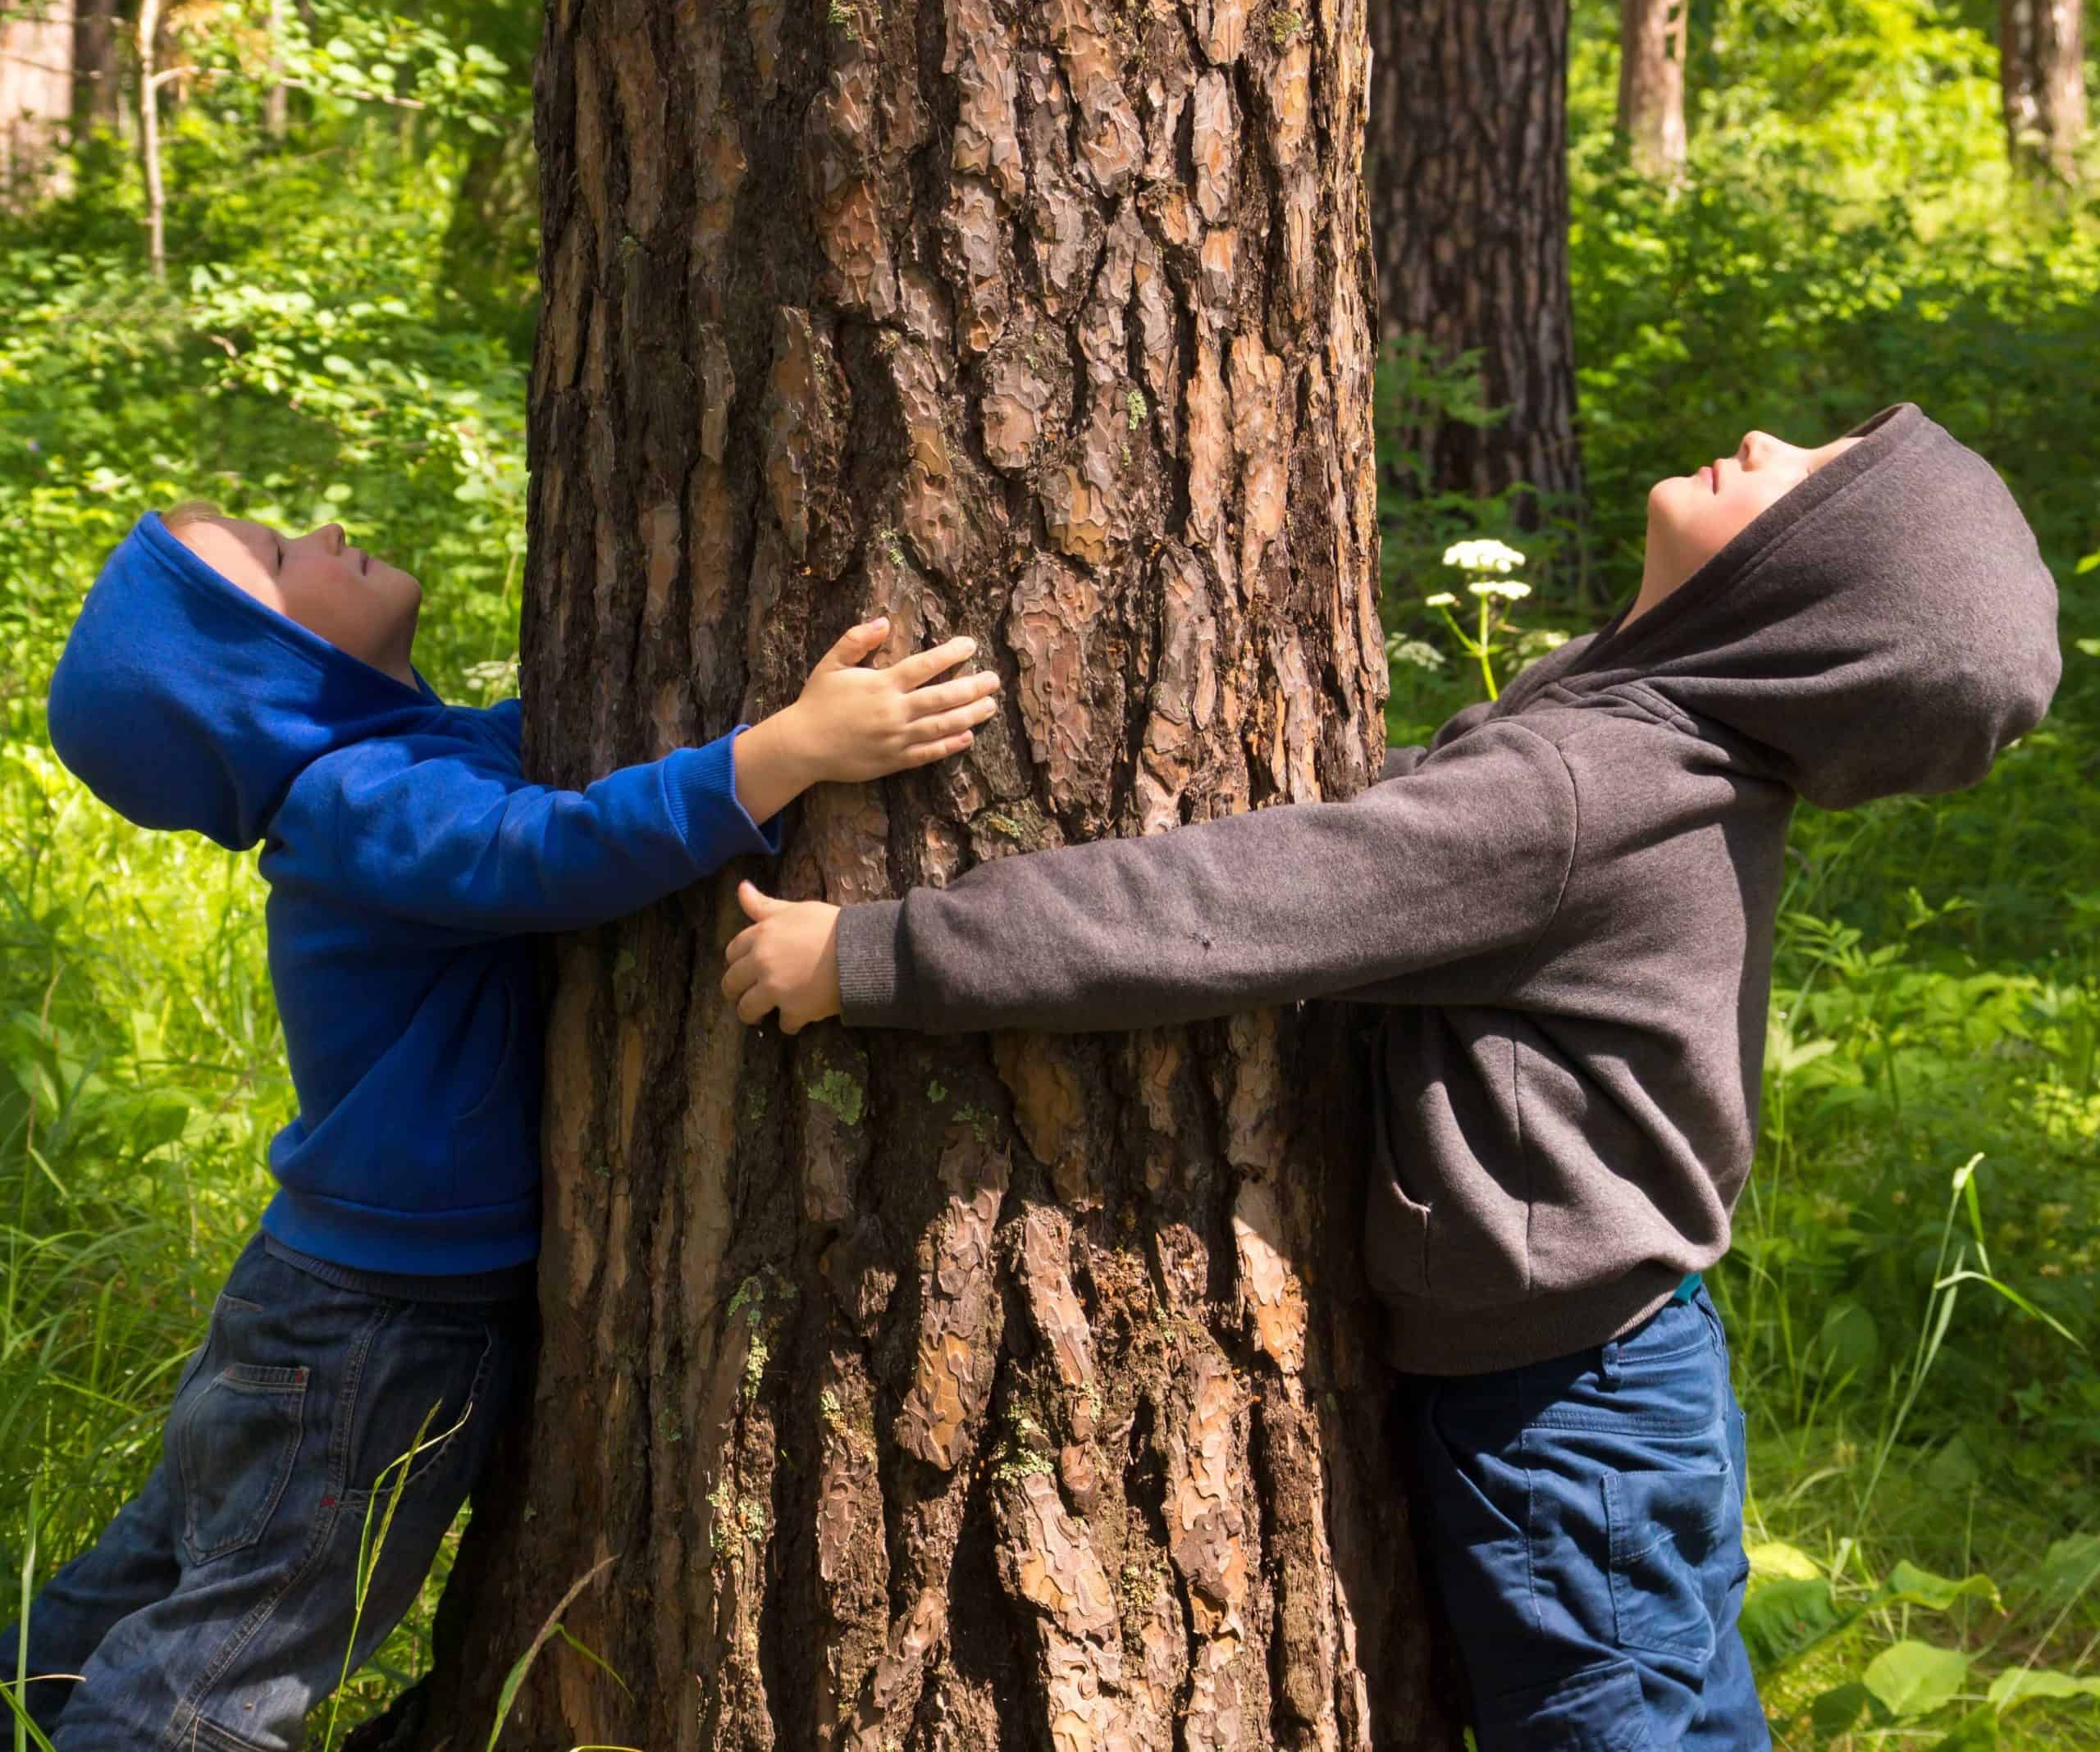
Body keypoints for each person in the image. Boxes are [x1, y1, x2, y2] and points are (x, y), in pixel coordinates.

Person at [718, 404, 2061, 1749]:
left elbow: (1230, 906)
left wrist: (874, 951)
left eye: (1806, 486)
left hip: (1565, 1423)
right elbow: (1388, 845)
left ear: (1797, 605)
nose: (1766, 441)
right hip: (1617, 1380)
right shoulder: (1638, 738)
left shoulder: (1589, 788)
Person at [7, 500, 1000, 1750]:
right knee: (235, 1647)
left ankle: (30, 1693)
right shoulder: (361, 801)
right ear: (263, 678)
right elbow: (551, 848)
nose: (316, 527)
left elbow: (540, 769)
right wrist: (781, 753)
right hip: (374, 1325)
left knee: (161, 1574)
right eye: (272, 558)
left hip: (324, 1298)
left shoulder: (391, 767)